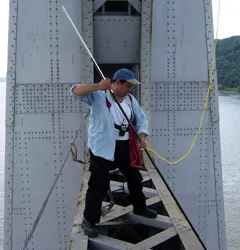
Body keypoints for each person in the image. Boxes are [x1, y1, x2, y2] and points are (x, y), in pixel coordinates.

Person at [70, 68, 157, 237]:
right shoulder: (98, 96)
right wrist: (97, 86)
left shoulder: (131, 100)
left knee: (135, 178)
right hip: (103, 148)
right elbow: (74, 91)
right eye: (128, 86)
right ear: (117, 83)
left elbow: (141, 119)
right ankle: (89, 220)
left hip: (124, 147)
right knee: (98, 184)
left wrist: (142, 135)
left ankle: (140, 208)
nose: (130, 90)